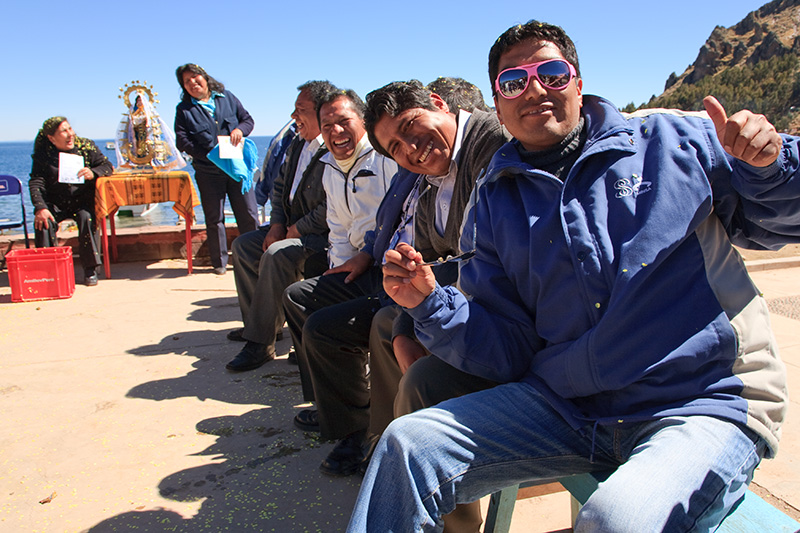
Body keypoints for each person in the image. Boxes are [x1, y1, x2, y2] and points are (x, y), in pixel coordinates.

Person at [349, 20, 796, 532]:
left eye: (552, 72)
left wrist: (770, 164)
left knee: (613, 520)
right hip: (571, 407)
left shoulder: (672, 138)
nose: (534, 88)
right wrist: (429, 305)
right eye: (513, 81)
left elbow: (777, 218)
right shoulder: (495, 199)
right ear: (498, 104)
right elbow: (510, 348)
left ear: (578, 83)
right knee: (408, 446)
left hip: (699, 399)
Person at [282, 79, 508, 488]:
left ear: (440, 105)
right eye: (396, 147)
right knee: (311, 306)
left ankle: (393, 450)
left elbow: (487, 261)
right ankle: (362, 431)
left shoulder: (491, 146)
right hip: (390, 276)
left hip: (489, 315)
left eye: (411, 128)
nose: (409, 150)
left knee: (387, 327)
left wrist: (407, 319)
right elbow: (378, 236)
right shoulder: (424, 176)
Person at [225, 81, 334, 372]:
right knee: (244, 246)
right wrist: (276, 225)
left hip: (321, 236)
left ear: (322, 113)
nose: (294, 116)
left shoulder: (335, 147)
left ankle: (259, 345)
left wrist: (297, 229)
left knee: (278, 254)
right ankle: (261, 328)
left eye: (301, 110)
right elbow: (280, 187)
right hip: (290, 227)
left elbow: (332, 205)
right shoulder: (298, 143)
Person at [174, 63, 259, 275]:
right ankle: (219, 263)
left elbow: (248, 120)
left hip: (237, 169)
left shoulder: (227, 97)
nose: (193, 83)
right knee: (214, 218)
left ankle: (256, 257)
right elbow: (182, 141)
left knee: (248, 214)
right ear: (183, 87)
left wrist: (240, 130)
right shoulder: (184, 110)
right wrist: (210, 156)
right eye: (187, 81)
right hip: (208, 171)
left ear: (205, 77)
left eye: (195, 78)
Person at [29, 117, 113, 286]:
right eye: (64, 131)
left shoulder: (86, 146)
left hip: (81, 200)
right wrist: (40, 207)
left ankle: (90, 269)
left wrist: (93, 172)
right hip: (56, 202)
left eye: (70, 129)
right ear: (52, 138)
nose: (70, 134)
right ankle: (49, 272)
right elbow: (36, 181)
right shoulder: (43, 154)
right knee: (44, 222)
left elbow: (107, 166)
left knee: (86, 218)